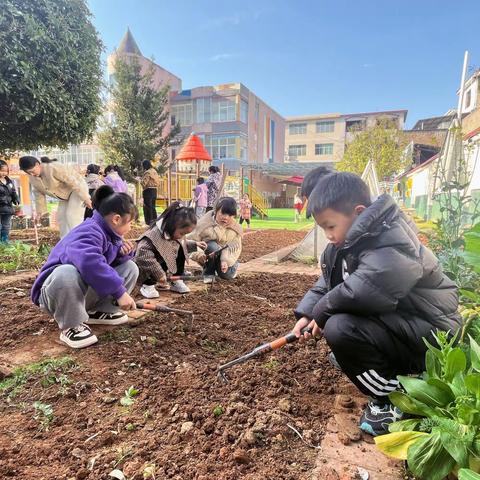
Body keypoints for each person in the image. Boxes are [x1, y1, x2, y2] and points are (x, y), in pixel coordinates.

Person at [292, 172, 461, 436]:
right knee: (340, 329)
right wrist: (306, 313)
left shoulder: (391, 237)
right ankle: (383, 367)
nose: (327, 235)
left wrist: (322, 311)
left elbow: (365, 289)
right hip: (406, 325)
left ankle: (395, 399)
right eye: (322, 228)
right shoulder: (345, 243)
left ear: (358, 212)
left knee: (339, 328)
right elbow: (328, 284)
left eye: (330, 226)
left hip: (433, 333)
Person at [30, 185, 139, 349]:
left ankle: (99, 312)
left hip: (79, 292)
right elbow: (90, 263)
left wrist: (121, 254)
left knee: (129, 267)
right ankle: (70, 325)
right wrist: (119, 292)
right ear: (116, 219)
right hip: (55, 294)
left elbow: (105, 263)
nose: (131, 227)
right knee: (66, 272)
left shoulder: (108, 232)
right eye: (130, 222)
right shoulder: (89, 231)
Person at [135, 202, 207, 298]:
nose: (183, 237)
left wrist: (195, 244)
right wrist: (159, 273)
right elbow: (143, 254)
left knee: (180, 247)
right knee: (155, 258)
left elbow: (180, 243)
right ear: (172, 225)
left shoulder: (173, 233)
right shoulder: (153, 235)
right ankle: (147, 285)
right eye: (182, 233)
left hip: (161, 267)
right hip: (146, 270)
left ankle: (175, 280)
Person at [19, 156, 91, 238]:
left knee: (71, 215)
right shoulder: (32, 177)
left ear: (37, 164)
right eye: (28, 173)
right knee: (61, 217)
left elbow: (73, 181)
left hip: (77, 188)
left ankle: (79, 240)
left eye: (32, 171)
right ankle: (65, 242)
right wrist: (40, 212)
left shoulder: (53, 168)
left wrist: (85, 198)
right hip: (64, 195)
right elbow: (38, 193)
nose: (32, 174)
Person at [189, 197, 242, 281]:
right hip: (209, 256)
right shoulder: (204, 224)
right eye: (223, 213)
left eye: (230, 215)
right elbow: (190, 242)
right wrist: (199, 255)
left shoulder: (235, 229)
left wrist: (225, 261)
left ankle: (232, 268)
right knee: (211, 245)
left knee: (225, 276)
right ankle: (209, 273)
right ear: (216, 211)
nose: (225, 217)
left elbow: (236, 248)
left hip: (227, 257)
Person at [0, 160, 20, 243]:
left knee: (6, 225)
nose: (4, 173)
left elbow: (13, 191)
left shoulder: (9, 181)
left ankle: (4, 241)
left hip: (7, 208)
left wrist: (16, 198)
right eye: (2, 171)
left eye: (6, 171)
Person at [140, 160, 161, 225]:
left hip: (148, 191)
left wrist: (140, 180)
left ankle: (149, 222)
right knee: (153, 206)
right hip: (154, 190)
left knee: (148, 207)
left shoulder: (147, 172)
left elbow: (144, 182)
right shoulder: (155, 171)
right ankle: (155, 221)